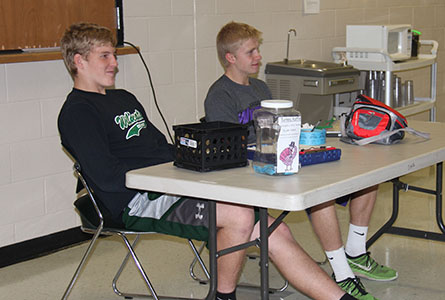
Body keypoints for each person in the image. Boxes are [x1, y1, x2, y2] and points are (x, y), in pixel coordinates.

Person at [57, 22, 357, 300]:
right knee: (240, 215)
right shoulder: (77, 112)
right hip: (132, 199)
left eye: (113, 55)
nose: (114, 63)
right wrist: (166, 175)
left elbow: (163, 147)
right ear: (79, 61)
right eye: (104, 56)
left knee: (273, 229)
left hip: (167, 184)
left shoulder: (123, 97)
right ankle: (224, 296)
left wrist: (191, 166)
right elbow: (106, 176)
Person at [204, 21, 397, 300]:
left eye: (257, 50)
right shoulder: (220, 95)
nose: (258, 57)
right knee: (320, 196)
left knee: (366, 176)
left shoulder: (260, 88)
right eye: (251, 52)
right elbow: (228, 149)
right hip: (249, 173)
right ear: (230, 58)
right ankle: (342, 274)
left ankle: (355, 252)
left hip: (276, 163)